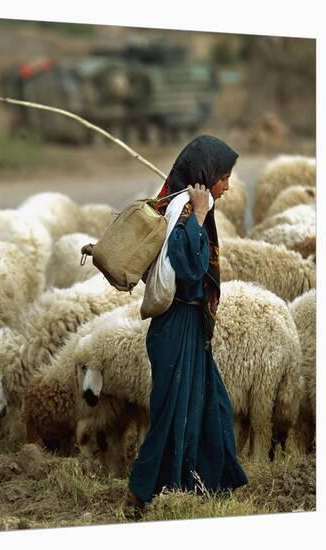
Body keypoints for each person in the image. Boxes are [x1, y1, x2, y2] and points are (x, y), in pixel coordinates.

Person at [123, 135, 249, 520]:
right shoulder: (183, 212)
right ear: (205, 175)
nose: (227, 186)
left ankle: (200, 484)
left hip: (191, 327)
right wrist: (196, 217)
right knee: (170, 414)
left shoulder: (191, 207)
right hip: (175, 326)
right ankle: (139, 496)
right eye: (223, 177)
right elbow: (191, 271)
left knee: (208, 404)